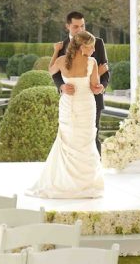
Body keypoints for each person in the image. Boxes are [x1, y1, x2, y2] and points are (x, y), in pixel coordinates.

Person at [28, 30, 104, 198]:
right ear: (83, 46)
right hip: (85, 104)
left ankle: (65, 182)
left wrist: (55, 51)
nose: (93, 50)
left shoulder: (62, 60)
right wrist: (99, 86)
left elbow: (51, 70)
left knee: (69, 140)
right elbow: (94, 87)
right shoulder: (92, 62)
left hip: (69, 103)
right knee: (85, 141)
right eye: (91, 47)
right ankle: (85, 184)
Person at [51, 11, 110, 154]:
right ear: (68, 26)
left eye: (82, 26)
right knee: (69, 137)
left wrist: (99, 86)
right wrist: (62, 87)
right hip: (70, 99)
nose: (80, 30)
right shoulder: (61, 46)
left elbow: (106, 71)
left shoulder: (97, 42)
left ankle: (94, 171)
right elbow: (56, 74)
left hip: (92, 99)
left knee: (92, 136)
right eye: (76, 27)